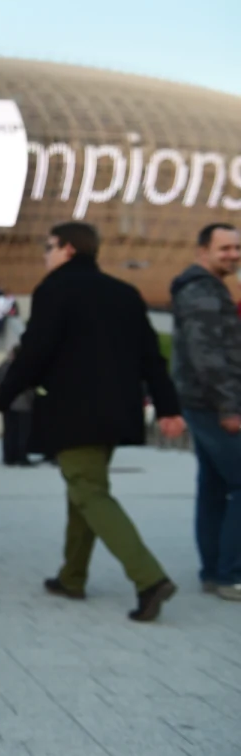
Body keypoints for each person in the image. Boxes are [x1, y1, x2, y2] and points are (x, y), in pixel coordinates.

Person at [0, 222, 184, 622]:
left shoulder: (54, 289)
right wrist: (168, 406)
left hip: (73, 410)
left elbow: (35, 350)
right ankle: (72, 576)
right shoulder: (124, 292)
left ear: (67, 248)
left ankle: (149, 578)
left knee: (89, 491)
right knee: (85, 489)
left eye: (48, 247)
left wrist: (5, 395)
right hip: (117, 410)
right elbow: (151, 357)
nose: (45, 255)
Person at [170, 222, 241, 602]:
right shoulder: (202, 291)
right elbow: (208, 356)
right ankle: (230, 574)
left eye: (237, 248)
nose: (233, 255)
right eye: (225, 248)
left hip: (203, 402)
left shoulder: (207, 288)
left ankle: (214, 572)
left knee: (213, 488)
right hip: (213, 405)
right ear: (203, 251)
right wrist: (229, 406)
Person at [0, 345, 34, 466]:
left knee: (9, 431)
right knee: (22, 432)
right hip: (23, 405)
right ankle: (21, 456)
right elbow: (28, 386)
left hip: (9, 404)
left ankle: (9, 457)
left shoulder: (3, 367)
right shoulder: (23, 368)